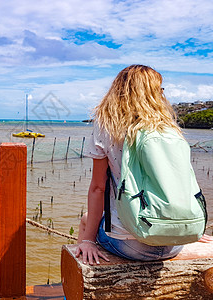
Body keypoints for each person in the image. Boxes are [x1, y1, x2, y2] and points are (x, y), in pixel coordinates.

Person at [75, 64, 213, 265]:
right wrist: (185, 226)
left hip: (132, 245)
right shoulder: (169, 128)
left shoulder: (107, 125)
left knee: (87, 219)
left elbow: (98, 188)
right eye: (160, 88)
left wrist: (88, 240)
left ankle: (75, 291)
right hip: (177, 241)